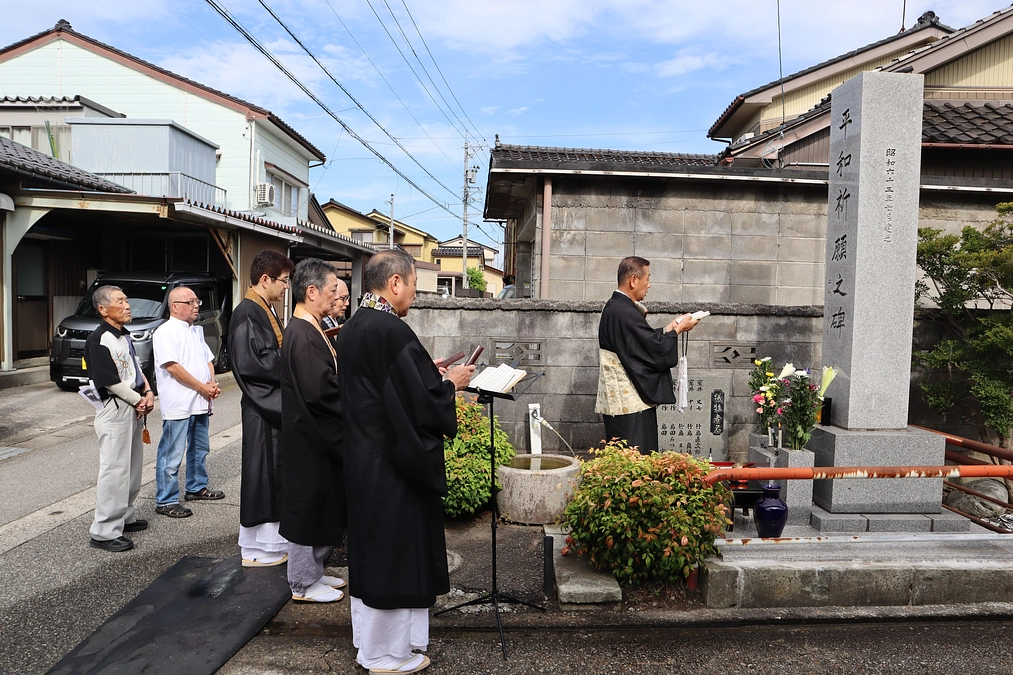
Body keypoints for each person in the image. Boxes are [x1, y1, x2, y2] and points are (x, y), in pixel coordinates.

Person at [338, 249, 474, 674]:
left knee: (373, 550)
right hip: (391, 465)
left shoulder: (356, 324)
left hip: (363, 457)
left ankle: (373, 643)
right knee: (394, 554)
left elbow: (387, 386)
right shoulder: (391, 330)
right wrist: (449, 384)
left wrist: (424, 373)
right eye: (413, 285)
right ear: (395, 282)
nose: (414, 294)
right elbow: (418, 404)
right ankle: (385, 654)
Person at [279, 258, 347, 603]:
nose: (336, 297)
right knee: (306, 508)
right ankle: (302, 582)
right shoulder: (303, 333)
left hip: (314, 435)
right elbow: (320, 391)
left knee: (321, 504)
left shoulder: (311, 327)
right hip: (308, 437)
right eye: (333, 290)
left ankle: (315, 572)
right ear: (311, 291)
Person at [229, 250, 294, 567]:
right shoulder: (247, 314)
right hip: (263, 407)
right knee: (263, 474)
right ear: (265, 279)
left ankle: (272, 544)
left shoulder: (262, 308)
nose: (286, 288)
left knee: (274, 474)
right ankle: (256, 549)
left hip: (269, 405)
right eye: (283, 281)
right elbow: (257, 366)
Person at [595, 256, 699, 454]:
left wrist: (670, 328)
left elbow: (640, 342)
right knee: (634, 459)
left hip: (628, 404)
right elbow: (652, 349)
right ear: (633, 280)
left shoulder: (618, 308)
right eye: (647, 278)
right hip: (629, 405)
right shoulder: (621, 311)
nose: (649, 285)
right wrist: (676, 332)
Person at [84, 286, 155, 552]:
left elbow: (136, 370)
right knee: (114, 469)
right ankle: (104, 531)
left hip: (133, 405)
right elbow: (110, 382)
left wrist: (147, 392)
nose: (127, 305)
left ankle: (124, 516)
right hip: (116, 408)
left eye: (126, 300)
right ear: (103, 309)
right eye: (120, 301)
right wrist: (139, 400)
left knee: (133, 465)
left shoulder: (124, 335)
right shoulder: (99, 338)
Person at [152, 286, 224, 519]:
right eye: (190, 302)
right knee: (172, 453)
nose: (196, 306)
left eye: (197, 302)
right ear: (174, 306)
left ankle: (196, 486)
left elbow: (208, 360)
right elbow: (173, 367)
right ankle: (166, 499)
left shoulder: (196, 330)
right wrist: (203, 387)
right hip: (179, 402)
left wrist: (211, 382)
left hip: (200, 400)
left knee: (199, 448)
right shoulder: (165, 331)